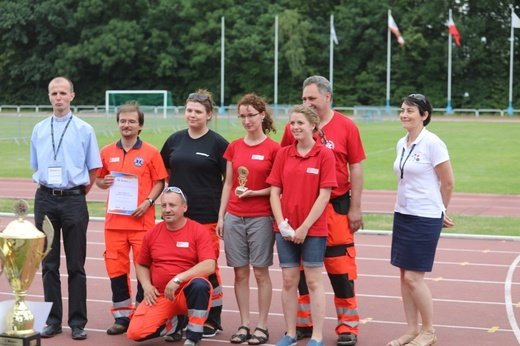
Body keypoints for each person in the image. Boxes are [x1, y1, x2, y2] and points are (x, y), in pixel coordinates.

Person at [280, 76, 366, 346]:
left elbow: (356, 168)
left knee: (341, 269)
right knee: (303, 270)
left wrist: (355, 208)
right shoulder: (293, 127)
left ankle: (347, 327)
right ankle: (303, 323)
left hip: (336, 208)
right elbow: (284, 163)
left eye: (312, 98)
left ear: (328, 97)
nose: (307, 103)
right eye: (304, 99)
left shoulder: (346, 126)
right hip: (302, 212)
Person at [30, 76, 102, 340]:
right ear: (48, 97)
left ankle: (78, 322)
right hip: (45, 199)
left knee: (76, 264)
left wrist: (77, 194)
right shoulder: (39, 128)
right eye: (53, 93)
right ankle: (52, 320)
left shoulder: (84, 129)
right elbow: (36, 166)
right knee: (48, 264)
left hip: (73, 199)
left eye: (63, 93)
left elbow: (94, 168)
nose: (58, 97)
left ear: (72, 96)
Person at [387, 94, 454, 346]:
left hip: (425, 217)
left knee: (415, 278)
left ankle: (429, 331)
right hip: (403, 214)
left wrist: (440, 210)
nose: (404, 114)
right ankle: (412, 329)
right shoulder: (401, 142)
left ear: (424, 115)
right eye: (402, 110)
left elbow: (448, 182)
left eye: (410, 111)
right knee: (404, 276)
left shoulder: (433, 143)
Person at [95, 101, 168, 335]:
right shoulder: (107, 151)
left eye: (131, 121)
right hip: (114, 224)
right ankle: (122, 316)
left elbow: (160, 182)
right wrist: (102, 183)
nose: (126, 125)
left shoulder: (151, 152)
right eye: (123, 121)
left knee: (143, 269)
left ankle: (141, 312)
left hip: (141, 223)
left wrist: (148, 202)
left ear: (140, 126)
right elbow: (99, 179)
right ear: (118, 124)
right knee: (116, 269)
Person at [160, 89, 228, 337]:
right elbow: (165, 172)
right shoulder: (174, 140)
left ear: (209, 115)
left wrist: (222, 216)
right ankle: (179, 318)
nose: (193, 115)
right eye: (189, 110)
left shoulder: (218, 143)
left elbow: (229, 182)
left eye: (198, 111)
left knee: (207, 268)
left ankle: (212, 318)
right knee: (177, 265)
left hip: (207, 216)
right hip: (177, 219)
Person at [267, 105, 337, 346]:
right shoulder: (283, 154)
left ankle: (317, 335)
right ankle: (290, 333)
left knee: (314, 281)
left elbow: (324, 195)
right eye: (292, 123)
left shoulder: (325, 155)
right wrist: (282, 223)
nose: (295, 127)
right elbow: (275, 192)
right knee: (288, 281)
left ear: (313, 126)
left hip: (313, 230)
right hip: (285, 230)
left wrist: (304, 227)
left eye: (301, 123)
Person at [216, 93, 280, 345]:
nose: (246, 120)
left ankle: (262, 325)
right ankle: (244, 324)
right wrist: (221, 216)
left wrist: (254, 193)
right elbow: (228, 183)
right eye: (242, 116)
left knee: (261, 273)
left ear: (262, 115)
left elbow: (277, 187)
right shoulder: (234, 146)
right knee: (240, 274)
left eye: (251, 115)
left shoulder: (274, 149)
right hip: (234, 216)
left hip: (261, 217)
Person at [126, 187, 217, 346]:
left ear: (184, 207)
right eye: (164, 205)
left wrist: (178, 279)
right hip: (162, 295)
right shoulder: (152, 233)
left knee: (200, 285)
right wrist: (147, 286)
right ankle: (175, 324)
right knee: (135, 333)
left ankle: (193, 336)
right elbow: (141, 264)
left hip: (186, 294)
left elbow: (209, 265)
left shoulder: (198, 230)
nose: (167, 210)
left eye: (172, 205)